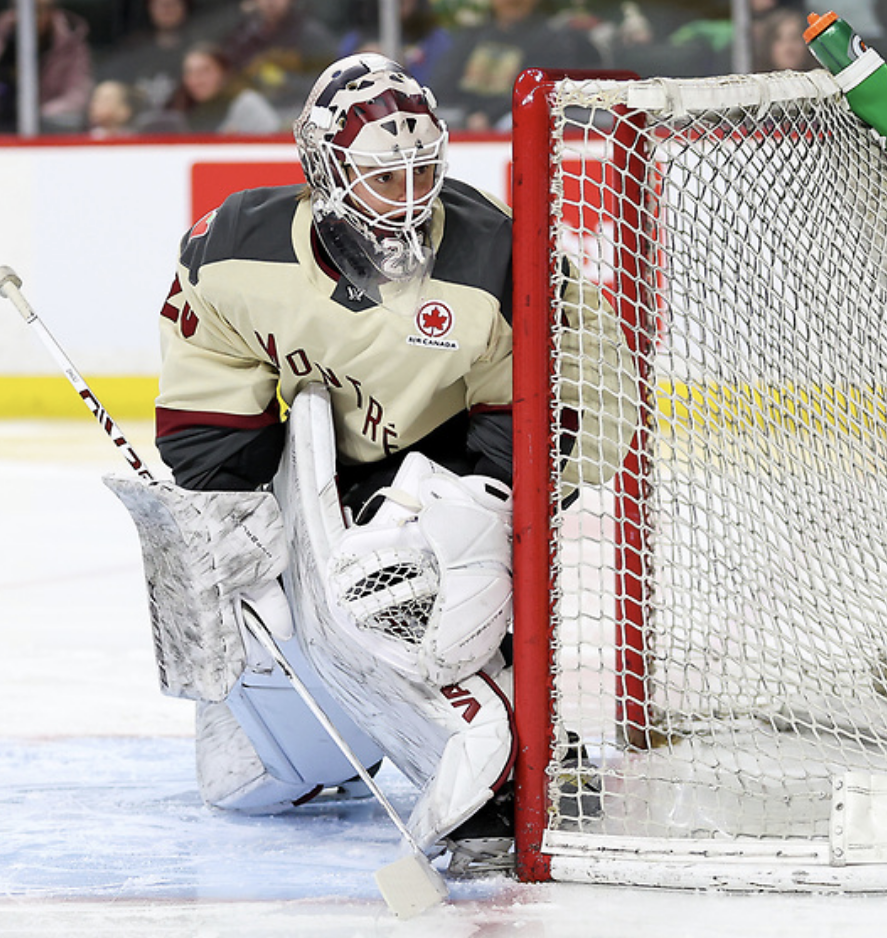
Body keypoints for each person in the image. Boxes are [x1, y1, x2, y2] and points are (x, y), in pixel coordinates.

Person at [133, 53, 632, 871]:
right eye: (381, 177)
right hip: (358, 448)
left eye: (422, 171)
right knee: (339, 595)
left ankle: (519, 760)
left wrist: (476, 504)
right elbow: (210, 390)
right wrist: (230, 510)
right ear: (325, 169)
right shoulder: (230, 253)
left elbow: (555, 401)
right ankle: (349, 723)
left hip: (484, 438)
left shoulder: (492, 256)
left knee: (450, 594)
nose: (408, 199)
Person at [425, 0, 600, 129]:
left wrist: (489, 115)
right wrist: (467, 114)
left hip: (513, 122)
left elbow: (539, 89)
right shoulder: (472, 37)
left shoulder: (552, 39)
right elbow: (441, 84)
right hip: (464, 119)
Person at [0, 0, 95, 132]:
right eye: (19, 9)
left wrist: (40, 115)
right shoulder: (2, 36)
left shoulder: (71, 44)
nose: (29, 18)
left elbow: (77, 93)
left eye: (38, 11)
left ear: (52, 12)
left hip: (47, 126)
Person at [222, 0, 340, 118]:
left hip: (301, 112)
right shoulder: (244, 35)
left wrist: (285, 80)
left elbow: (331, 84)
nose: (271, 2)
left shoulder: (311, 34)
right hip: (255, 112)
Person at [96, 0, 210, 118]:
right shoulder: (134, 47)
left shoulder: (200, 49)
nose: (167, 9)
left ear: (185, 7)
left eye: (173, 4)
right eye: (160, 5)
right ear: (149, 8)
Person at [161, 42, 282, 133]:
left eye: (205, 71)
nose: (196, 80)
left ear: (223, 73)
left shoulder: (246, 103)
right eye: (189, 72)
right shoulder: (180, 111)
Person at [334, 0, 452, 86]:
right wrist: (360, 66)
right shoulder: (356, 39)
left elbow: (441, 87)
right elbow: (335, 83)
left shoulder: (435, 39)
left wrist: (400, 67)